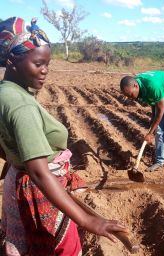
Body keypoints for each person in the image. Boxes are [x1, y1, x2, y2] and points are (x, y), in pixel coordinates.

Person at [0, 17, 127, 256]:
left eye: (47, 63)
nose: (45, 71)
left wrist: (12, 161)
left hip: (18, 181)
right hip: (39, 189)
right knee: (65, 249)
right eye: (38, 64)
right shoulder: (21, 106)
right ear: (12, 62)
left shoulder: (6, 92)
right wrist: (89, 221)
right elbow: (38, 171)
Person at [120, 70, 164, 176]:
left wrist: (150, 133)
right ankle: (159, 161)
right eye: (127, 96)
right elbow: (154, 105)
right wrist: (152, 128)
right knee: (159, 130)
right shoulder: (140, 89)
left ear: (135, 85)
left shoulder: (151, 85)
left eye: (130, 94)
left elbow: (160, 110)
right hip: (162, 98)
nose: (130, 97)